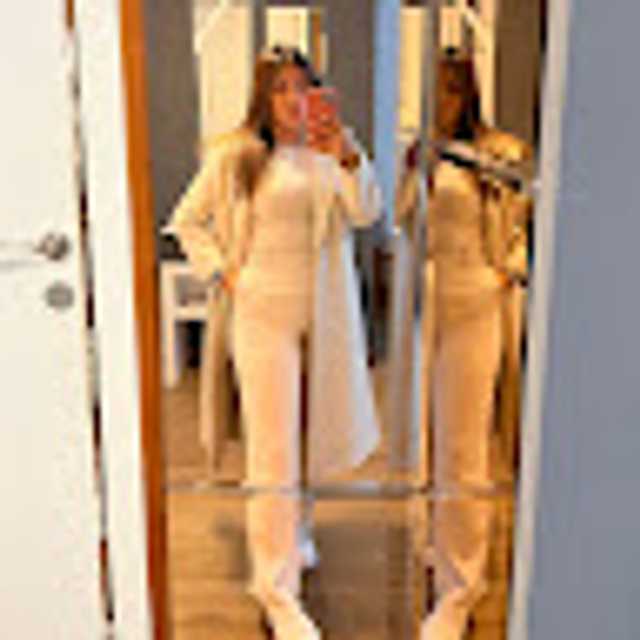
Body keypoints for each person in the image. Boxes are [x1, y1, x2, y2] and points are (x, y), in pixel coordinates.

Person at [168, 45, 382, 640]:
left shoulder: (331, 150)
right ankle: (274, 588)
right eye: (280, 87)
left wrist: (347, 156)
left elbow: (367, 213)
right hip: (263, 314)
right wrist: (223, 274)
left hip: (326, 315)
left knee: (312, 433)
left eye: (302, 86)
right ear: (263, 96)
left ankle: (294, 532)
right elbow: (187, 221)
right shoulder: (236, 154)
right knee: (272, 450)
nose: (292, 99)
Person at [395, 51, 533, 640]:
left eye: (452, 90)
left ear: (468, 93)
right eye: (435, 89)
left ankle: (463, 584)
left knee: (464, 445)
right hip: (429, 301)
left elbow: (527, 221)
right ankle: (437, 545)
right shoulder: (423, 152)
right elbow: (402, 222)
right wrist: (415, 173)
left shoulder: (497, 151)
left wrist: (509, 273)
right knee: (427, 440)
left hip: (476, 299)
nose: (443, 101)